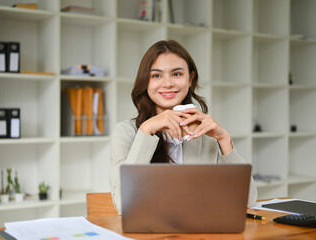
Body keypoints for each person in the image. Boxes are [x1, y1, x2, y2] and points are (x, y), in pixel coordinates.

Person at [109, 40, 257, 213]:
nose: (168, 84)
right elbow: (123, 203)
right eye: (156, 75)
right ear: (145, 81)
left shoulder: (206, 133)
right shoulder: (126, 132)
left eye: (177, 74)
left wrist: (224, 139)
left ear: (190, 79)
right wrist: (147, 130)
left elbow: (247, 199)